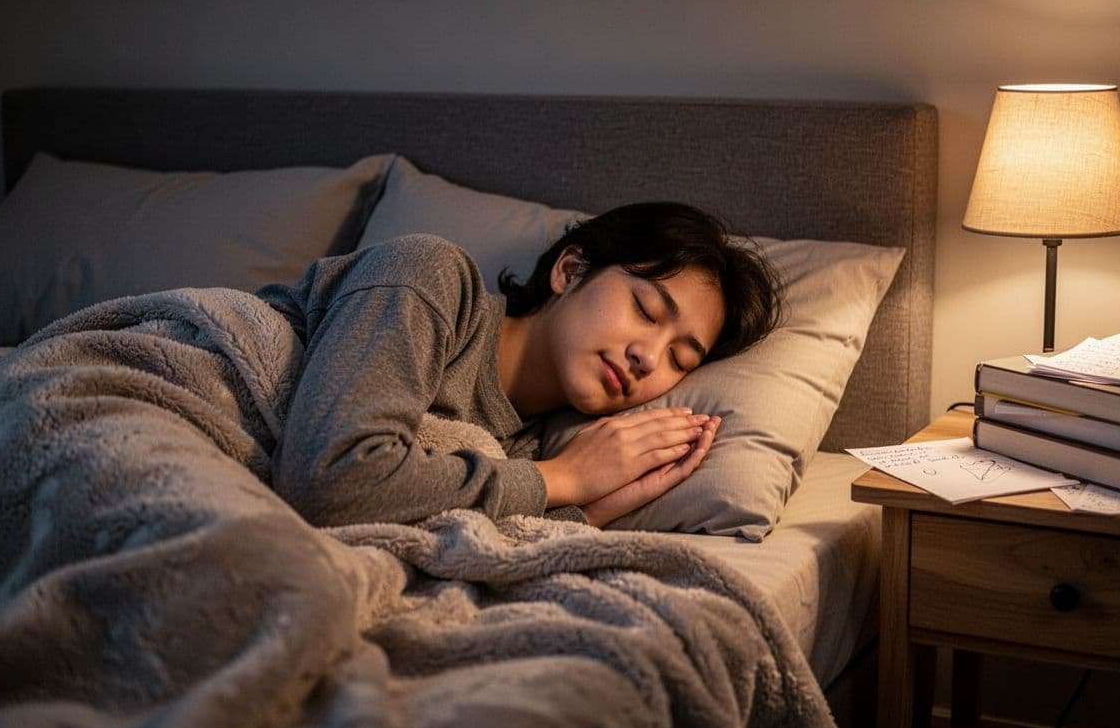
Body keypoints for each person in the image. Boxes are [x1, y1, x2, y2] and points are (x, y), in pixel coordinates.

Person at [259, 201, 781, 528]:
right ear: (570, 271)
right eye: (645, 310)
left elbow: (479, 535)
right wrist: (565, 477)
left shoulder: (522, 447)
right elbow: (327, 482)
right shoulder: (432, 277)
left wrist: (593, 510)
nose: (647, 357)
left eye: (679, 358)